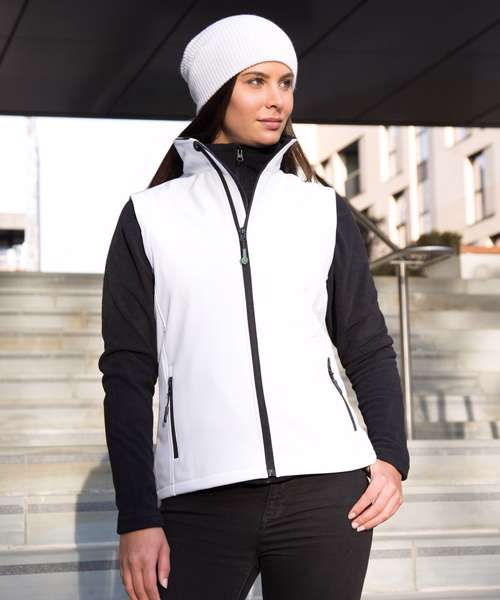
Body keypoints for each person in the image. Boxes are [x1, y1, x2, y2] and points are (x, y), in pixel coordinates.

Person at [98, 13, 410, 600]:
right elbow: (127, 372)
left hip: (327, 490)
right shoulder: (150, 216)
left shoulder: (321, 210)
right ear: (217, 93)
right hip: (199, 496)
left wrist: (391, 457)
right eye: (256, 81)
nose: (277, 100)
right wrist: (136, 514)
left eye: (285, 82)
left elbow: (367, 344)